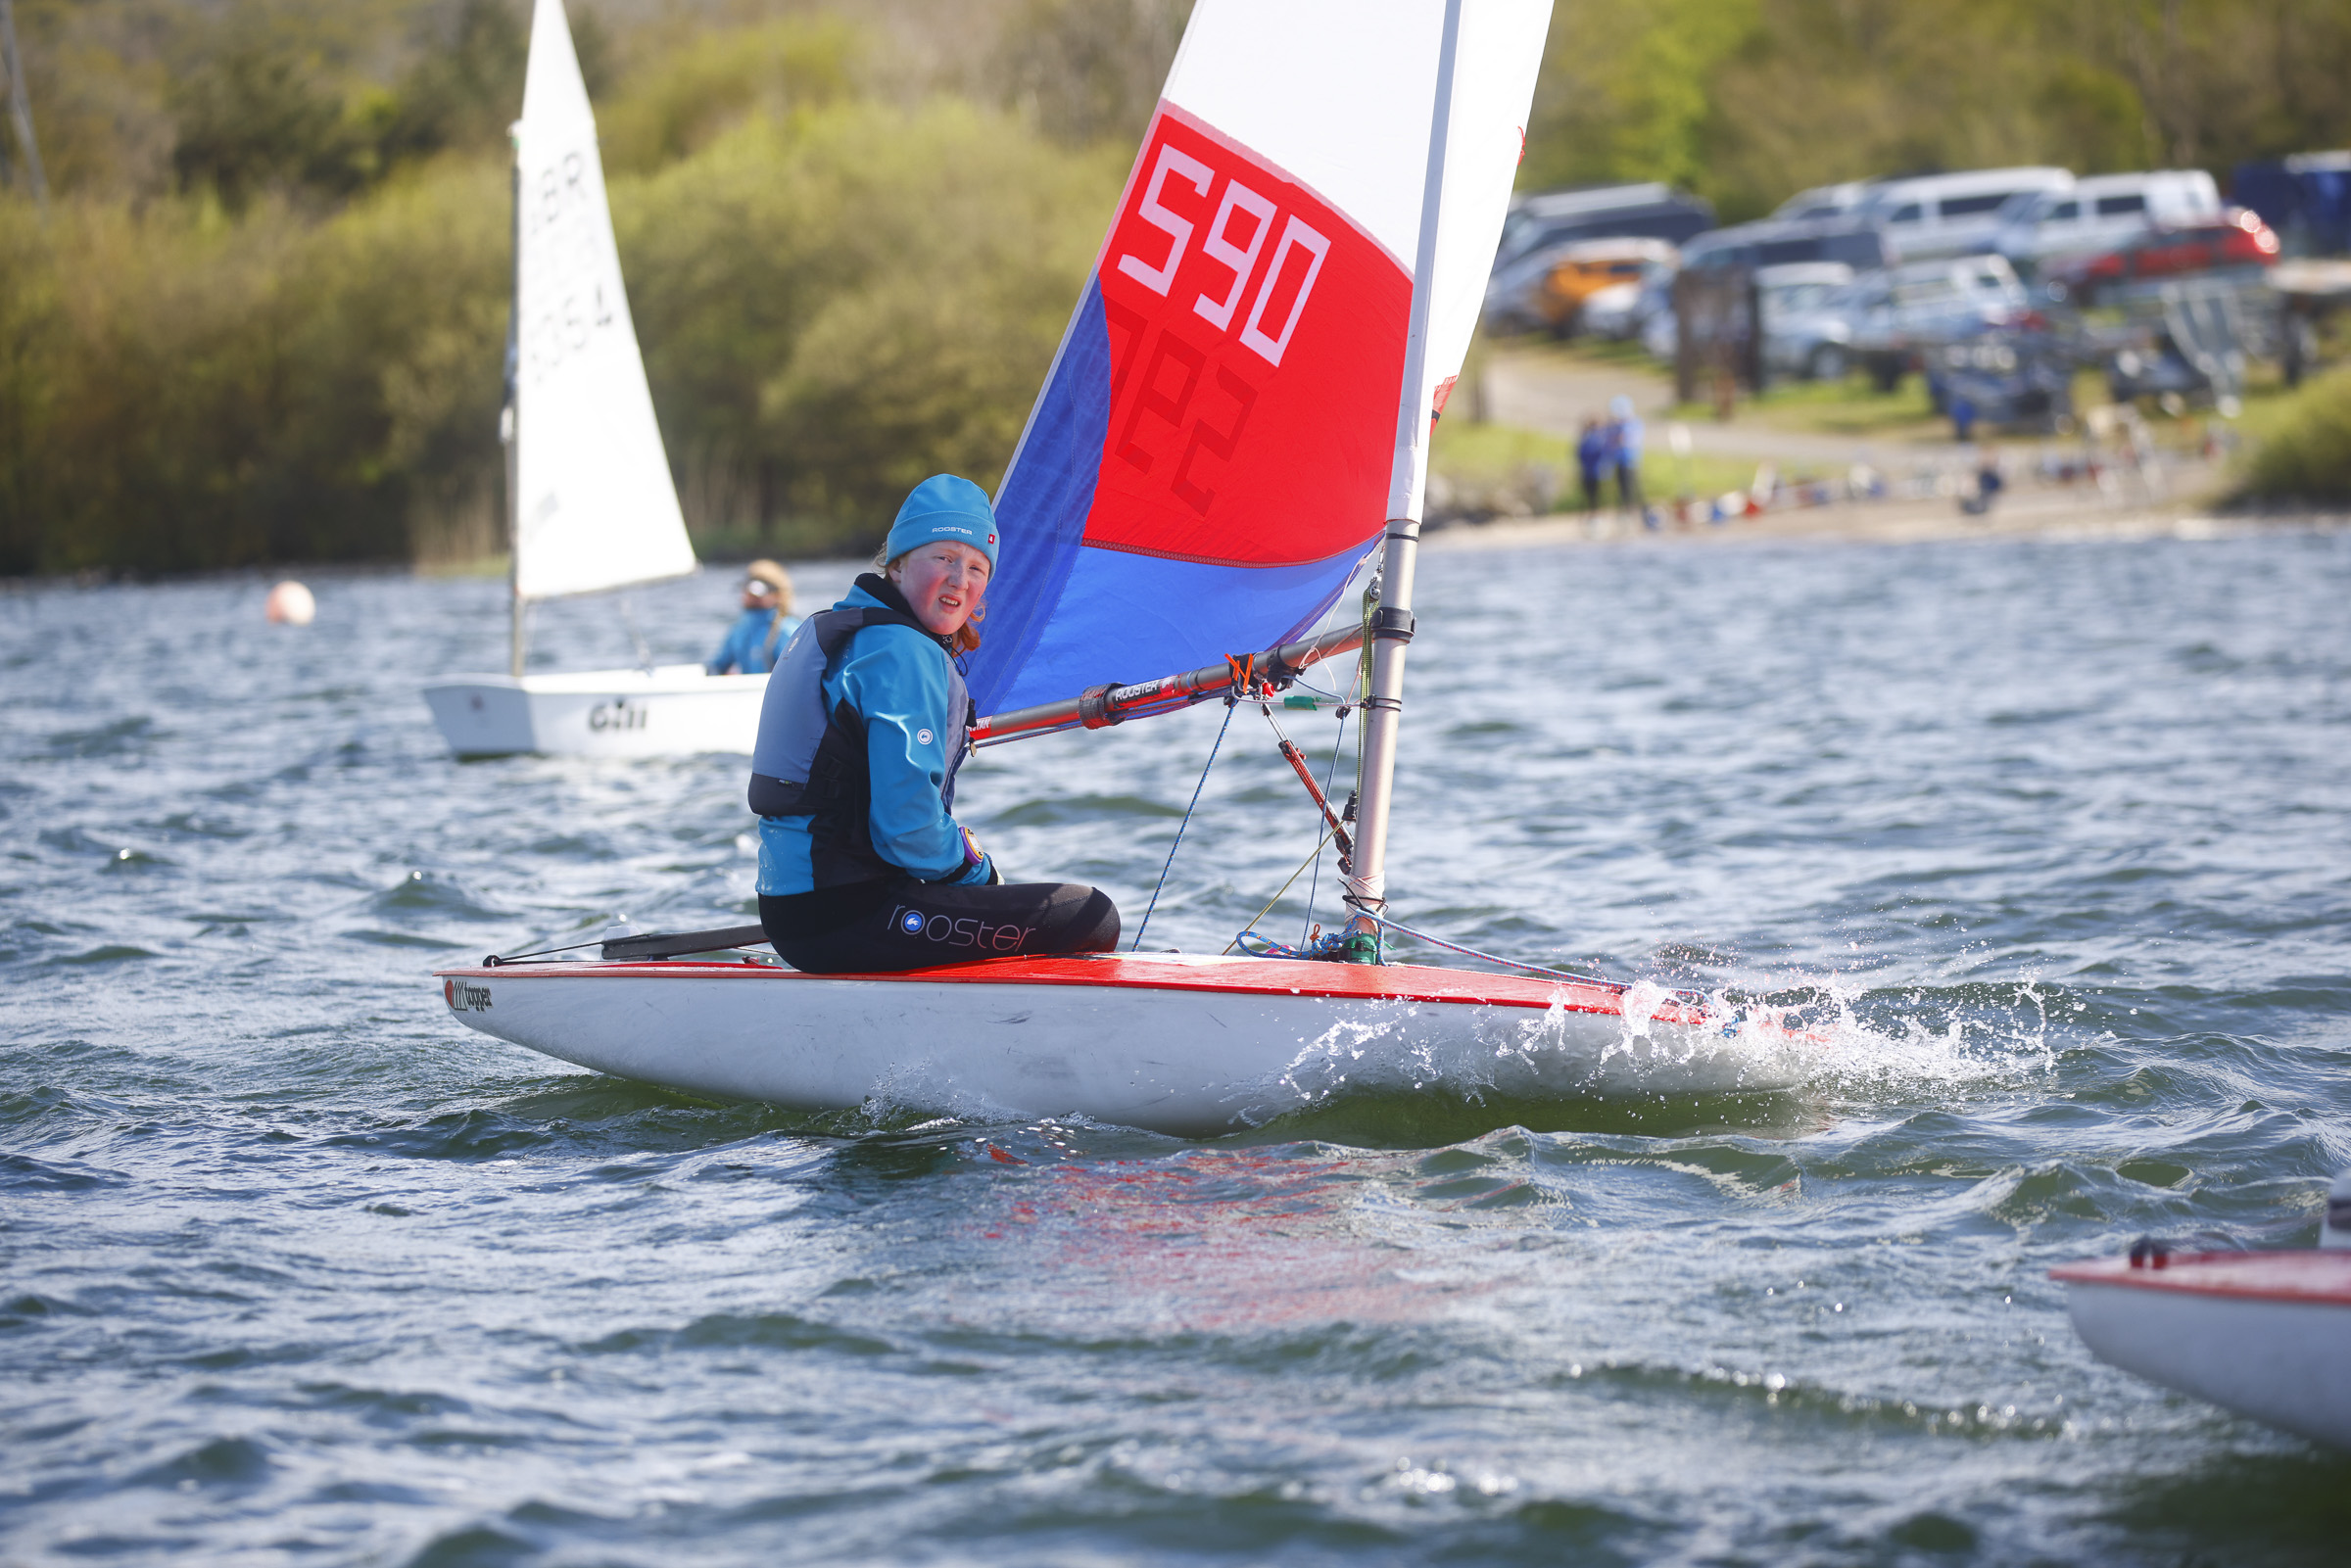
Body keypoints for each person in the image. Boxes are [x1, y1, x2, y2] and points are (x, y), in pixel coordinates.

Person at [746, 475, 1121, 974]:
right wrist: (981, 876)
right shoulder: (902, 651)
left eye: (976, 567)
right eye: (944, 557)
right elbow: (907, 829)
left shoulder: (836, 627)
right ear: (897, 563)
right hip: (847, 916)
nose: (960, 579)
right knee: (1090, 915)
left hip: (792, 912)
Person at [707, 559, 801, 675]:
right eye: (748, 592)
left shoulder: (789, 631)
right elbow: (717, 666)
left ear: (778, 595)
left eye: (758, 595)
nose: (751, 597)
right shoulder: (739, 629)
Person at [1608, 394, 1646, 515]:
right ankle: (1626, 510)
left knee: (1633, 487)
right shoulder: (1617, 426)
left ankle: (1639, 511)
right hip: (1619, 460)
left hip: (1630, 460)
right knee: (1622, 488)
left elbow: (1631, 441)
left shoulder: (1634, 423)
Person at [1575, 416, 1608, 513]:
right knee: (1590, 495)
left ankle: (1595, 514)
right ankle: (1592, 513)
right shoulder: (1588, 439)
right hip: (1589, 471)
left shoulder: (1597, 439)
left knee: (1595, 495)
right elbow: (1581, 454)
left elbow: (1602, 454)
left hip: (1595, 471)